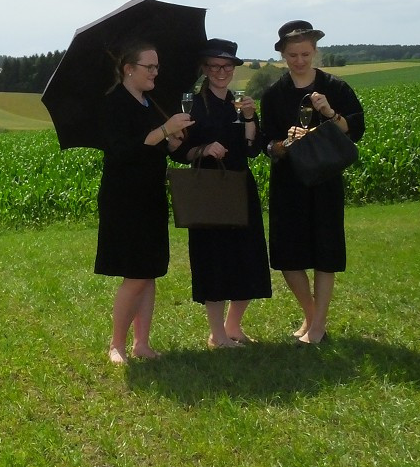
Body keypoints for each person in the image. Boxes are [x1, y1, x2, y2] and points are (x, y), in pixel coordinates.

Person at [261, 20, 365, 345]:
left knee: (325, 253)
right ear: (282, 54)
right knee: (288, 257)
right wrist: (284, 144)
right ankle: (311, 315)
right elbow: (266, 144)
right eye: (293, 55)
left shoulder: (336, 88)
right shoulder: (274, 95)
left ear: (315, 51)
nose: (300, 61)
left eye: (305, 54)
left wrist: (330, 112)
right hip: (288, 183)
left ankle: (317, 326)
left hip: (325, 182)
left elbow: (356, 130)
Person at [95, 42, 194, 364]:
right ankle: (116, 345)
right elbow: (121, 152)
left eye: (156, 67)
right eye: (148, 67)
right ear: (129, 69)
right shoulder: (113, 104)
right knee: (136, 273)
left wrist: (170, 141)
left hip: (150, 195)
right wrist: (163, 130)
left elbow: (151, 147)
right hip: (125, 199)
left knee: (149, 271)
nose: (155, 72)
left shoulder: (148, 102)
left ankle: (142, 344)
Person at [173, 38, 272, 348]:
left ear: (233, 69)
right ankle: (216, 334)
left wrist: (250, 119)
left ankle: (233, 326)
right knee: (213, 259)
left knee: (248, 256)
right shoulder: (191, 104)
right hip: (207, 187)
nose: (220, 71)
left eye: (226, 66)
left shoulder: (239, 101)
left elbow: (252, 149)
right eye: (214, 66)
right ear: (204, 68)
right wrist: (204, 148)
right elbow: (178, 152)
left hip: (240, 185)